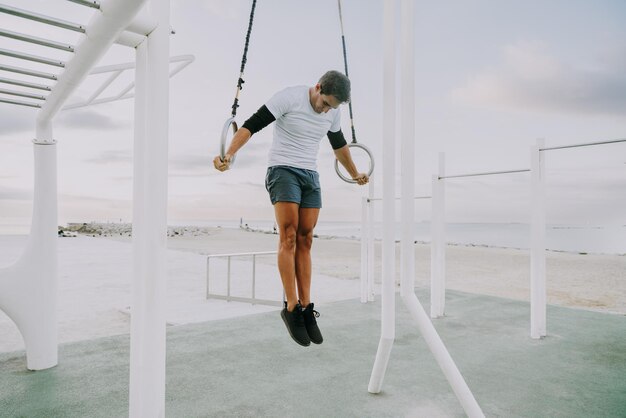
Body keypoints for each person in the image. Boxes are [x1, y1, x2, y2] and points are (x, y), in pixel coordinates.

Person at [213, 70, 368, 347]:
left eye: (332, 107)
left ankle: (307, 308)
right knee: (288, 236)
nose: (325, 111)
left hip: (310, 175)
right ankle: (291, 307)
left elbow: (339, 146)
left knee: (306, 239)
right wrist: (229, 154)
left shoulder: (333, 112)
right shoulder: (290, 97)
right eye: (325, 103)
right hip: (283, 169)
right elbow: (250, 126)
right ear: (317, 87)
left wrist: (355, 173)